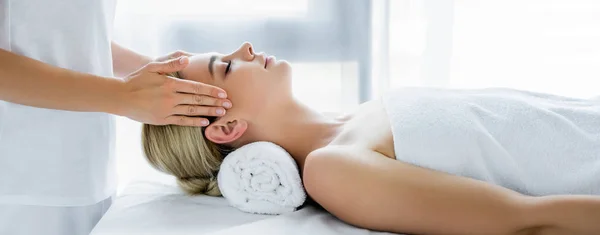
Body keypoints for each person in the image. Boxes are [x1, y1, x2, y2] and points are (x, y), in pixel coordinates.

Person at [142, 42, 600, 235]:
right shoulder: (333, 168)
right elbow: (523, 221)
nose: (244, 49)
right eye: (225, 66)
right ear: (225, 127)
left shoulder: (356, 115)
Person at [0, 1, 232, 235]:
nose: (247, 49)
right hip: (22, 179)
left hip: (86, 174)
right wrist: (124, 95)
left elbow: (54, 31)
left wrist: (150, 71)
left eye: (228, 68)